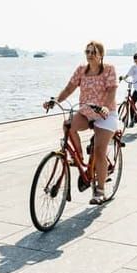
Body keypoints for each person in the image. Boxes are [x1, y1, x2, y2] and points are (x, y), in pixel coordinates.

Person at [45, 40, 118, 204]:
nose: (90, 55)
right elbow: (69, 88)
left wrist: (105, 107)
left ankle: (100, 191)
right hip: (85, 112)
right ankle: (78, 158)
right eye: (87, 52)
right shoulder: (81, 70)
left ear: (101, 55)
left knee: (99, 151)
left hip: (105, 114)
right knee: (68, 125)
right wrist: (56, 100)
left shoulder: (109, 69)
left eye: (93, 52)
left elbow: (112, 90)